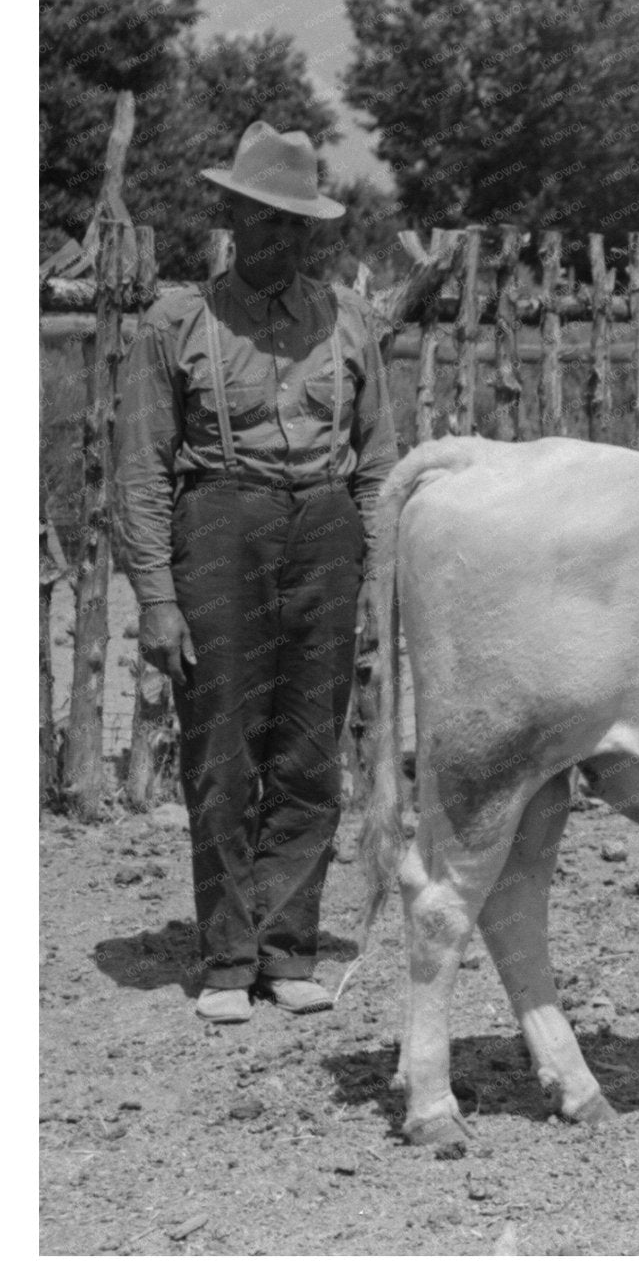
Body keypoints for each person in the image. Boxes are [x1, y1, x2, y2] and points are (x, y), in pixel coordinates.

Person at [113, 122, 396, 1021]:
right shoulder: (178, 322)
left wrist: (377, 578)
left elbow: (378, 463)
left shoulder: (347, 321)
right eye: (266, 220)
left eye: (297, 225)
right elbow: (141, 470)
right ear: (233, 219)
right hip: (221, 526)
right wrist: (158, 598)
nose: (283, 239)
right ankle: (230, 960)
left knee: (310, 752)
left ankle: (288, 948)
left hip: (325, 529)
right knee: (223, 749)